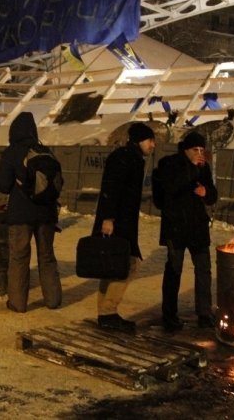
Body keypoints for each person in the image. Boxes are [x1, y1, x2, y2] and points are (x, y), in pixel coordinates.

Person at [0, 112, 62, 313]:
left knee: (19, 257)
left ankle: (17, 303)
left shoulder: (12, 152)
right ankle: (53, 300)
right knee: (47, 256)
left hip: (21, 214)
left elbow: (4, 186)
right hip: (47, 214)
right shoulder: (44, 151)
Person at [92, 122, 156, 333]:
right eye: (150, 140)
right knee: (127, 264)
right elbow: (111, 188)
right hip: (118, 222)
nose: (153, 145)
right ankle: (108, 313)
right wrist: (108, 218)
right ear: (139, 140)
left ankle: (105, 313)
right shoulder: (125, 158)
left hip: (122, 220)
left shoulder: (130, 157)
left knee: (112, 265)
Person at [156, 132, 218, 332]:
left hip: (197, 226)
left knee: (203, 270)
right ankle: (169, 315)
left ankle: (204, 313)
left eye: (202, 150)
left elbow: (212, 195)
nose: (199, 153)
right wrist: (192, 168)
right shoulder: (170, 163)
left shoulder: (203, 167)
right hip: (176, 225)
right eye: (195, 150)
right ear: (186, 149)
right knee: (174, 270)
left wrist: (206, 193)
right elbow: (172, 188)